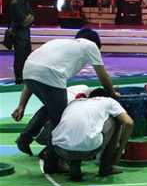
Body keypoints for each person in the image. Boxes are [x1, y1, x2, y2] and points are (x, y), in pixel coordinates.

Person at [11, 27, 119, 175]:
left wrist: (21, 105)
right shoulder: (90, 45)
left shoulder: (60, 43)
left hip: (28, 73)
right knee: (60, 121)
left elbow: (36, 73)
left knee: (51, 108)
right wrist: (112, 93)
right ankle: (52, 164)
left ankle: (25, 137)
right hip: (50, 77)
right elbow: (103, 75)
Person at [52, 88, 134, 182]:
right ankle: (106, 166)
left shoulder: (74, 102)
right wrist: (119, 152)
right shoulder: (109, 101)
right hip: (87, 149)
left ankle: (74, 162)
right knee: (117, 119)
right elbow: (128, 123)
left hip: (60, 149)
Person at [15, 84, 91, 156]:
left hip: (43, 129)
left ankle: (26, 137)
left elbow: (28, 84)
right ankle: (49, 151)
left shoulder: (81, 89)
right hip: (46, 132)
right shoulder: (79, 96)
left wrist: (21, 106)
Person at [9, 0, 35, 84]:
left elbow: (32, 16)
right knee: (19, 58)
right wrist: (28, 19)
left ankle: (26, 77)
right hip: (19, 35)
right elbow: (24, 20)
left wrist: (28, 19)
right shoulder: (15, 3)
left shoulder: (25, 2)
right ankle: (19, 79)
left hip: (26, 34)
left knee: (27, 58)